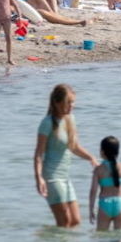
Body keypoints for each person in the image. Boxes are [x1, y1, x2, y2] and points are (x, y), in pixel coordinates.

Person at [32, 84, 98, 227]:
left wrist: (91, 158)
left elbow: (74, 147)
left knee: (76, 221)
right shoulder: (47, 123)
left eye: (73, 102)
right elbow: (38, 154)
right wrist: (39, 179)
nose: (71, 106)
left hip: (65, 177)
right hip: (51, 177)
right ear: (57, 102)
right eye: (68, 102)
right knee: (64, 222)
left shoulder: (70, 119)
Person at [89, 135, 121, 231]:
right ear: (117, 152)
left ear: (102, 152)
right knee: (120, 237)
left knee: (102, 237)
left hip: (105, 204)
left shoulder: (98, 170)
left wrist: (91, 209)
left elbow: (93, 191)